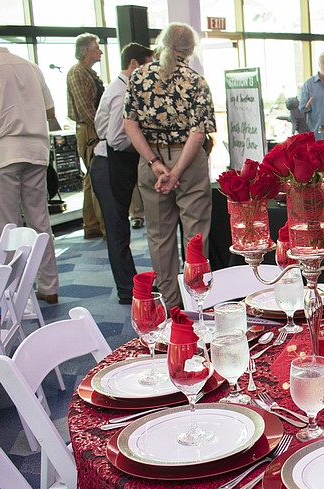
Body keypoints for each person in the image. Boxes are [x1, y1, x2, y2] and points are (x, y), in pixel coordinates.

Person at [123, 23, 215, 309]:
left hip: (152, 160)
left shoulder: (138, 77)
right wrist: (177, 171)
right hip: (188, 160)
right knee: (196, 235)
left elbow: (129, 124)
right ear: (190, 50)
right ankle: (196, 302)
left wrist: (154, 163)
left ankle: (171, 307)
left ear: (161, 43)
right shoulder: (195, 81)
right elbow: (199, 133)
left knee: (159, 237)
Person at [0, 26, 60, 304]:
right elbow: (50, 112)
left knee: (6, 226)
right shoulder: (30, 66)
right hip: (36, 151)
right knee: (40, 222)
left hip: (2, 153)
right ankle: (50, 286)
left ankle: (10, 293)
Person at [91, 42, 153, 305]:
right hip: (110, 164)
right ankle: (127, 289)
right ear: (134, 64)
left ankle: (129, 286)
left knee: (120, 228)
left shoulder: (122, 89)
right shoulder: (121, 92)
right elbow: (117, 138)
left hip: (116, 163)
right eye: (149, 64)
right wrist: (144, 144)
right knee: (117, 229)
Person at [66, 32, 105, 239]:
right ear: (85, 51)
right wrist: (103, 129)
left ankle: (92, 225)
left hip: (92, 128)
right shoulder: (78, 73)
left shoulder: (88, 72)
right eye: (96, 47)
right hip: (89, 129)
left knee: (91, 178)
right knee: (97, 177)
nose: (100, 51)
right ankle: (101, 225)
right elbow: (85, 109)